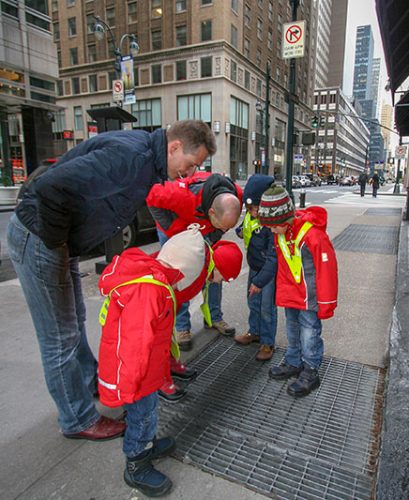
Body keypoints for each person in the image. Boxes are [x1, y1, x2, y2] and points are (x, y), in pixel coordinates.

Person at [6, 119, 216, 440]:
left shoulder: (145, 157)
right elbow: (51, 188)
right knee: (59, 338)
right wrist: (57, 248)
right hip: (41, 239)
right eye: (191, 164)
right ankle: (77, 419)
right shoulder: (132, 159)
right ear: (174, 147)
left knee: (74, 321)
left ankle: (91, 382)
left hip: (56, 243)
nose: (189, 173)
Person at [97, 226, 205, 496]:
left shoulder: (154, 277)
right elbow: (135, 344)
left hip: (146, 369)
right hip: (137, 374)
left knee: (148, 413)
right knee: (142, 416)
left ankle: (147, 443)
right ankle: (137, 463)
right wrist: (131, 384)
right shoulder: (150, 291)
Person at [147, 172, 242, 351]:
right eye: (223, 226)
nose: (225, 230)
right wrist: (174, 230)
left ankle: (214, 317)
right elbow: (151, 196)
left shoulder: (235, 195)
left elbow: (223, 225)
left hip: (204, 229)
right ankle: (182, 327)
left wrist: (214, 235)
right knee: (179, 278)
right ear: (211, 212)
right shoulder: (181, 196)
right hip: (176, 230)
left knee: (217, 270)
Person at [258, 185, 338, 397]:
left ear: (284, 220)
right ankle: (294, 362)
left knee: (309, 332)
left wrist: (327, 302)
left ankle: (310, 369)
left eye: (273, 227)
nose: (271, 231)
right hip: (292, 294)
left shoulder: (313, 236)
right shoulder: (282, 233)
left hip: (309, 297)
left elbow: (326, 270)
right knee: (293, 328)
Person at [157, 238, 243, 402]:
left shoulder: (204, 266)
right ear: (218, 267)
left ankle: (169, 365)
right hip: (155, 300)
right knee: (157, 341)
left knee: (166, 337)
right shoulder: (194, 267)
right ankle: (159, 380)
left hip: (167, 299)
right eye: (224, 277)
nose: (221, 282)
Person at [234, 174, 278, 361]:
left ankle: (267, 343)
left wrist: (260, 281)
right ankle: (255, 332)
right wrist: (239, 231)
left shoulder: (272, 225)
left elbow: (273, 258)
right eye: (249, 208)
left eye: (256, 208)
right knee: (253, 302)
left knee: (267, 307)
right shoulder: (252, 218)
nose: (252, 212)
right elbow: (245, 227)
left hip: (267, 271)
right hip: (254, 266)